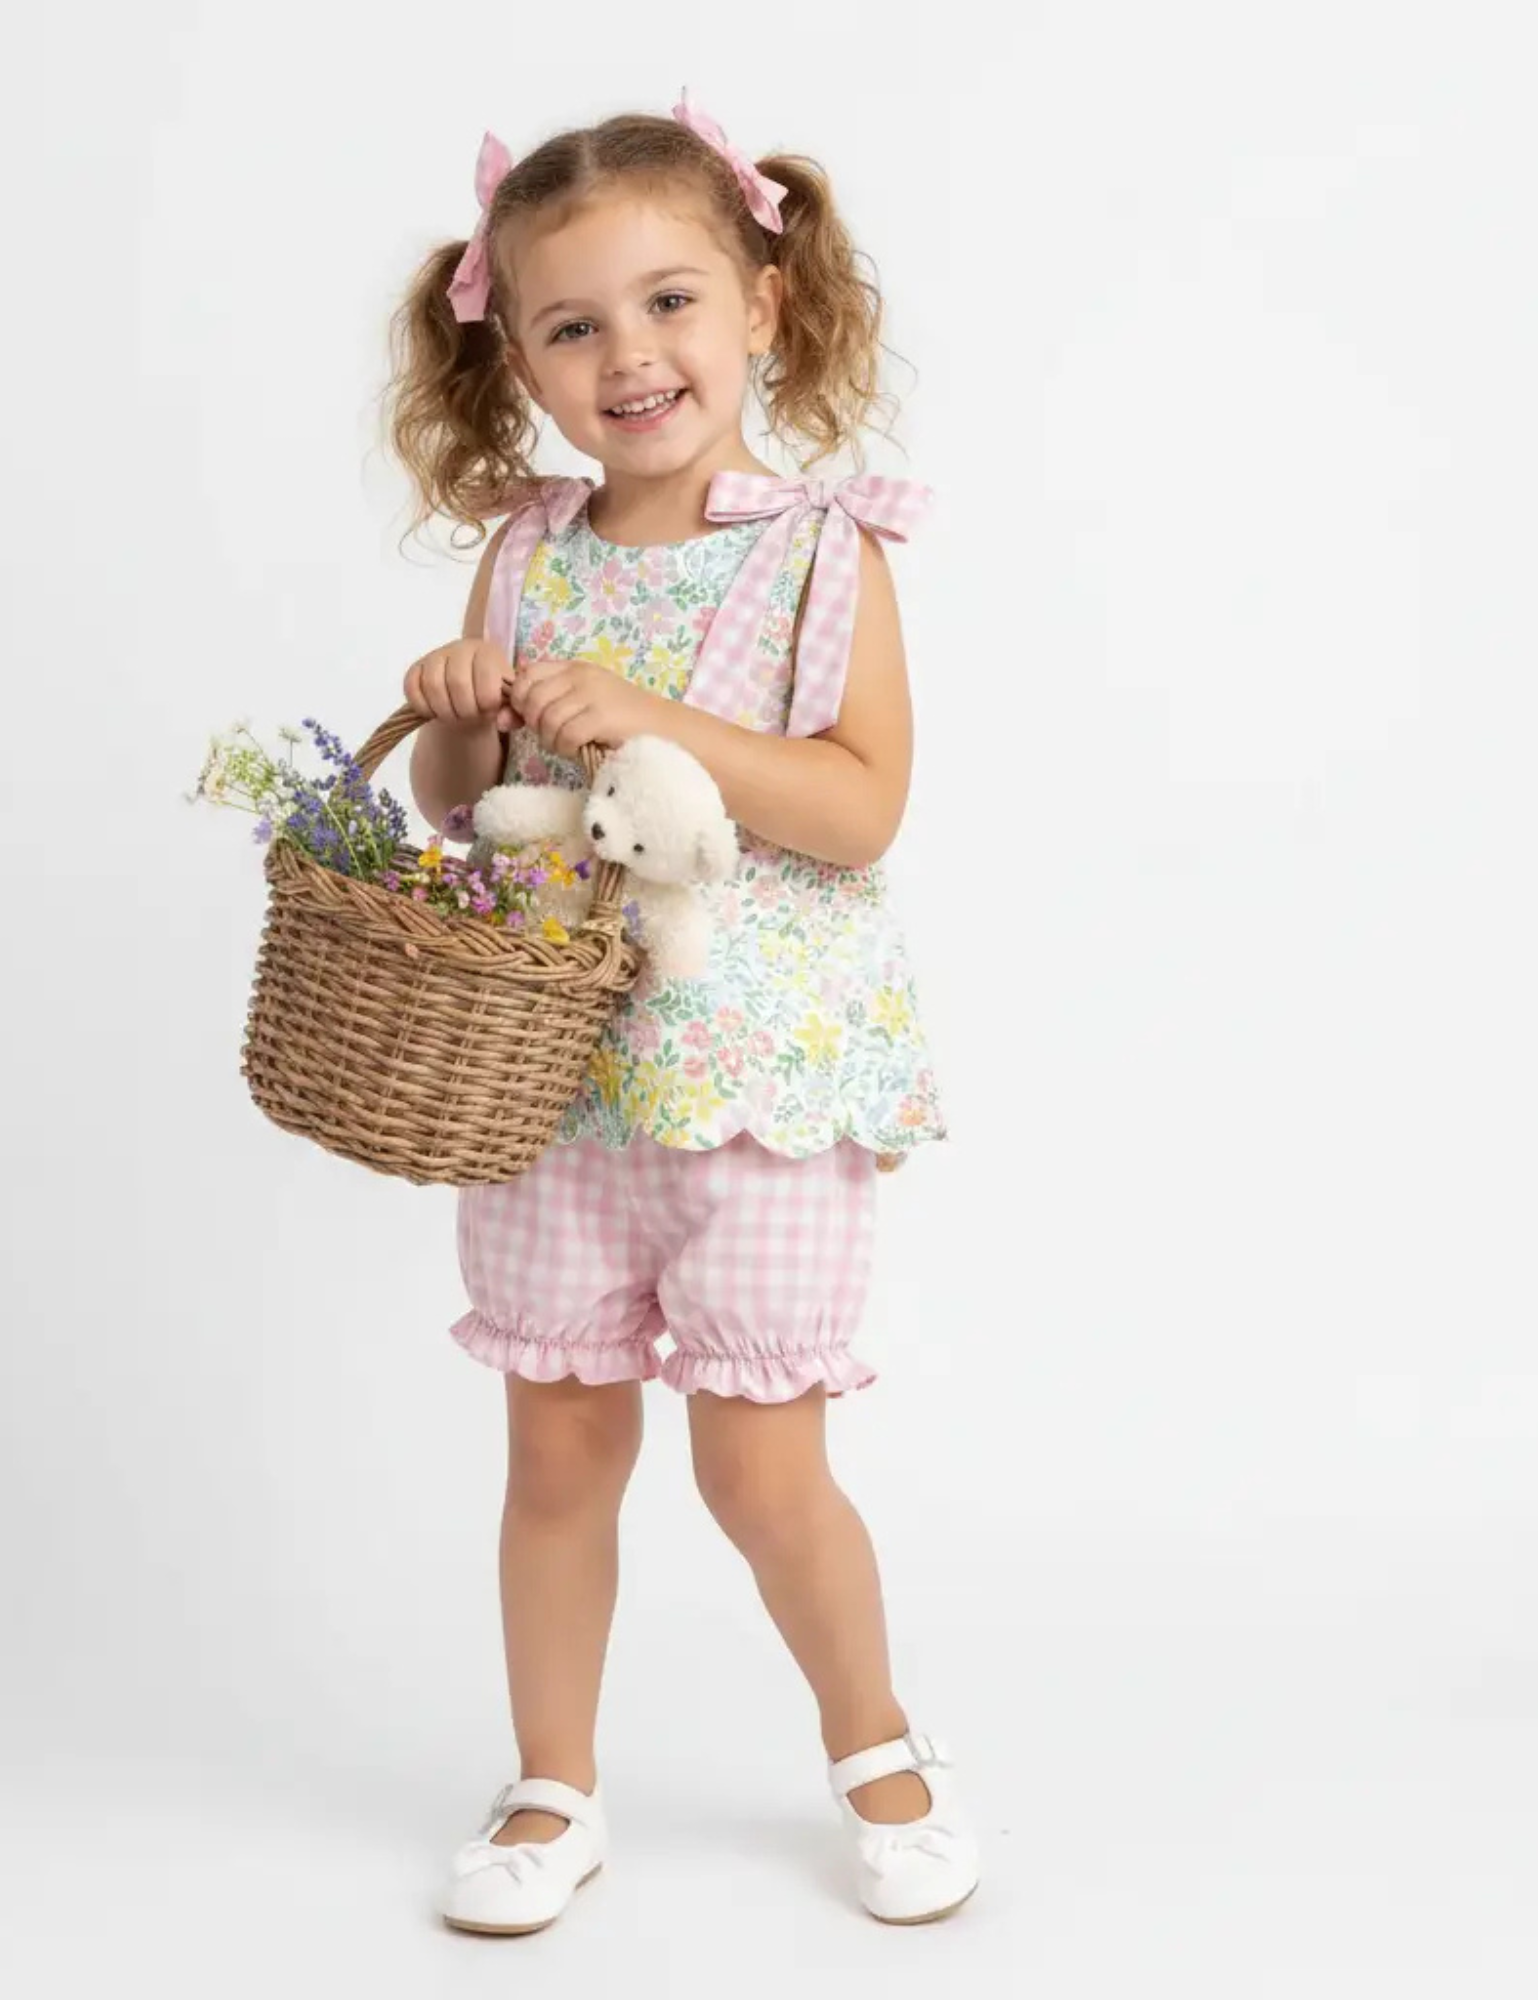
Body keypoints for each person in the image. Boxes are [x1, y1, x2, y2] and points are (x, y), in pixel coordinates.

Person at [383, 92, 974, 1935]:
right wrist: (469, 705)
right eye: (572, 325)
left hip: (760, 1076)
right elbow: (464, 805)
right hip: (560, 1078)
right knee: (556, 1445)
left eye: (670, 304)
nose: (629, 355)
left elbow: (858, 802)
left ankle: (878, 1747)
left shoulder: (819, 552)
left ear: (765, 309)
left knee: (759, 1463)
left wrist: (656, 725)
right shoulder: (528, 551)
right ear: (520, 363)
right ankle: (553, 1782)